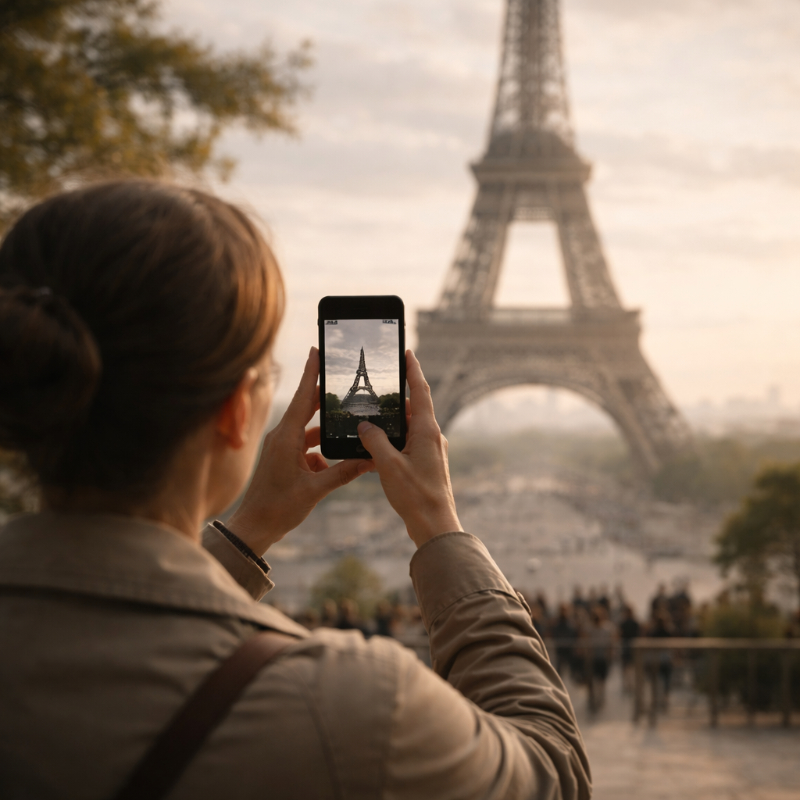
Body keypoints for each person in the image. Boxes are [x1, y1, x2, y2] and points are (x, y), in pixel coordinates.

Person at [0, 181, 591, 799]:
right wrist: (441, 527)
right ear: (235, 412)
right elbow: (553, 776)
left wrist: (247, 531)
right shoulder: (350, 709)